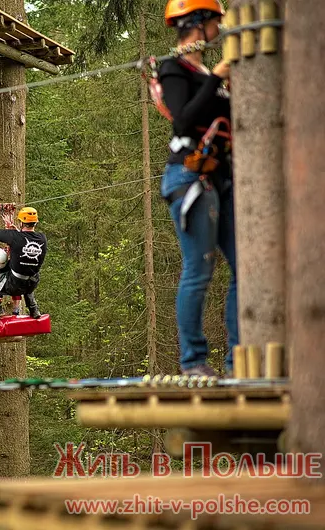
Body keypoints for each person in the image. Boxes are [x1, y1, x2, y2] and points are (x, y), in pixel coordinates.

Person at [161, 0, 236, 376]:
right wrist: (217, 78)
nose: (220, 29)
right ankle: (193, 362)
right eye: (216, 22)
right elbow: (184, 121)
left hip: (223, 178)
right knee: (199, 268)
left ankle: (239, 359)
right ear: (199, 22)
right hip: (190, 176)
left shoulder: (206, 73)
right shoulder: (174, 68)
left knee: (245, 266)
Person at [0, 204, 47, 319]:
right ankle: (33, 308)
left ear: (21, 222)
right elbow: (25, 239)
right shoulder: (42, 238)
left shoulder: (15, 237)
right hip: (31, 284)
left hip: (14, 284)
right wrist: (15, 231)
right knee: (29, 269)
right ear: (35, 223)